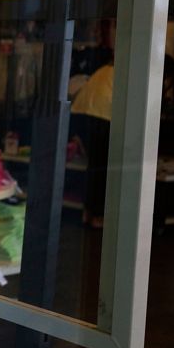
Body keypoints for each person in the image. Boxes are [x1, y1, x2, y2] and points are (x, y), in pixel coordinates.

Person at [71, 61, 113, 228]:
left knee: (94, 165)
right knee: (102, 167)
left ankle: (87, 212)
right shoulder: (126, 73)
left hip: (81, 114)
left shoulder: (103, 69)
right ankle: (97, 215)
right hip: (102, 117)